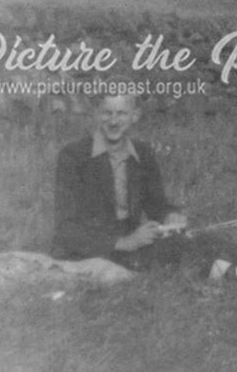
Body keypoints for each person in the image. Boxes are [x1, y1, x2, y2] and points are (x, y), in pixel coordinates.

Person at [52, 93, 195, 271]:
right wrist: (124, 242)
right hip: (91, 251)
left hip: (132, 242)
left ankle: (233, 271)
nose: (113, 121)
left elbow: (156, 205)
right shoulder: (73, 155)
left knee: (200, 241)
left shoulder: (143, 152)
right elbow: (65, 228)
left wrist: (170, 216)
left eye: (121, 114)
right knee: (181, 256)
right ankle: (226, 273)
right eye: (107, 113)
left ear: (135, 116)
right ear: (96, 114)